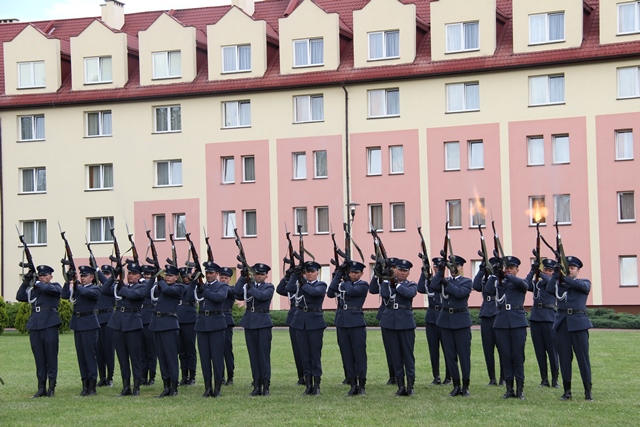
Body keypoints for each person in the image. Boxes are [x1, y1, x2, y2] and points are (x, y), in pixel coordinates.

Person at [547, 256, 593, 401]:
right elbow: (549, 289)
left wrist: (564, 278)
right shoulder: (559, 284)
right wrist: (556, 275)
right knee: (564, 359)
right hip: (563, 324)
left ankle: (587, 391)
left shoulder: (583, 282)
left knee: (583, 359)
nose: (570, 270)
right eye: (568, 268)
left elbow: (583, 288)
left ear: (578, 270)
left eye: (572, 268)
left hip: (579, 324)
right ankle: (567, 391)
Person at [485, 256, 528, 399]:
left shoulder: (520, 282)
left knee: (518, 356)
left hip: (517, 322)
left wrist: (506, 276)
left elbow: (523, 286)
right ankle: (509, 389)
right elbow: (488, 291)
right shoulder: (499, 283)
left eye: (511, 268)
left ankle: (520, 389)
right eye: (507, 268)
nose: (509, 270)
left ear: (517, 270)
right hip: (501, 322)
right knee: (505, 356)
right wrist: (494, 274)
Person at [16, 264, 62, 398]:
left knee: (51, 357)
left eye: (44, 275)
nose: (42, 277)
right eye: (40, 275)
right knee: (39, 358)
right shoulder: (34, 290)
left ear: (51, 277)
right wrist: (26, 281)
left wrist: (36, 282)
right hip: (35, 325)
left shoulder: (55, 286)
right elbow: (20, 296)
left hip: (49, 324)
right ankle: (41, 388)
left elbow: (49, 289)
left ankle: (51, 388)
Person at [101, 261, 146, 396]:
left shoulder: (142, 287)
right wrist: (114, 276)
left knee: (135, 357)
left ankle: (136, 386)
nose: (130, 275)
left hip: (132, 324)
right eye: (129, 273)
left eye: (134, 273)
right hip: (118, 323)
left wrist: (121, 285)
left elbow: (132, 295)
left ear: (139, 276)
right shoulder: (122, 286)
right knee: (122, 357)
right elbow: (104, 290)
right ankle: (126, 386)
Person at [431, 256, 472, 397]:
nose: (454, 269)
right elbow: (433, 286)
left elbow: (459, 293)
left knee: (464, 355)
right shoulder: (445, 280)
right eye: (452, 267)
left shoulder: (466, 281)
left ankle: (465, 386)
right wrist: (440, 271)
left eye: (457, 266)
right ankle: (456, 385)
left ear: (461, 268)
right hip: (446, 321)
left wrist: (446, 283)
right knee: (450, 355)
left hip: (461, 321)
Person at [328, 260, 369, 396]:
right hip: (342, 322)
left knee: (359, 354)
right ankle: (352, 384)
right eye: (351, 272)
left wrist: (344, 280)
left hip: (356, 322)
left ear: (361, 273)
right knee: (346, 354)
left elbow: (351, 291)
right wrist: (338, 273)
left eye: (356, 272)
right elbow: (330, 292)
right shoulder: (343, 284)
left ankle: (361, 385)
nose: (353, 275)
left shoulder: (363, 285)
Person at [286, 261, 327, 395]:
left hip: (314, 322)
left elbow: (314, 293)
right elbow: (288, 288)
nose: (309, 274)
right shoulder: (299, 284)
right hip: (300, 321)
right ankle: (308, 384)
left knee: (315, 354)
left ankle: (317, 385)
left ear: (317, 273)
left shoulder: (321, 285)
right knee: (304, 354)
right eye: (307, 272)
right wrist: (295, 275)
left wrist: (302, 281)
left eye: (312, 272)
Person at [378, 259, 417, 396]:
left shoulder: (411, 284)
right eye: (400, 270)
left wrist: (397, 285)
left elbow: (409, 294)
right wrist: (387, 279)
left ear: (408, 273)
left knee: (408, 355)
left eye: (405, 271)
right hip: (390, 322)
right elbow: (384, 294)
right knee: (395, 355)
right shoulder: (388, 283)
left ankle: (410, 386)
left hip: (405, 323)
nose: (402, 273)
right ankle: (400, 386)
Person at [235, 263, 275, 396]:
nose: (259, 276)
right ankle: (256, 385)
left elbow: (262, 296)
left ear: (266, 276)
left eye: (261, 274)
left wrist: (250, 286)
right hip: (250, 322)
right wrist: (242, 278)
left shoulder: (269, 287)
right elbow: (237, 293)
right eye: (257, 274)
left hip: (263, 322)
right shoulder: (247, 286)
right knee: (253, 356)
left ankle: (266, 386)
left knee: (263, 356)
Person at [61, 265, 101, 396]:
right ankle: (85, 385)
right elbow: (64, 295)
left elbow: (87, 293)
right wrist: (68, 281)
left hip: (89, 325)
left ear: (92, 277)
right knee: (81, 357)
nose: (83, 278)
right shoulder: (78, 288)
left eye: (85, 276)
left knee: (90, 356)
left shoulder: (95, 288)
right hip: (78, 324)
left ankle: (92, 386)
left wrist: (77, 284)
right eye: (81, 276)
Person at [147, 265, 185, 397]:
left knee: (170, 357)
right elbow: (146, 292)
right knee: (162, 357)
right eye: (166, 275)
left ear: (176, 277)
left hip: (169, 324)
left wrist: (160, 279)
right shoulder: (161, 286)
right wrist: (153, 278)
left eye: (170, 276)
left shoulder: (179, 287)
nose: (167, 277)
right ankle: (166, 386)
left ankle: (174, 387)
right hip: (157, 324)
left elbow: (168, 290)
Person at [525, 258, 559, 388]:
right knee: (539, 350)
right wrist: (532, 272)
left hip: (549, 317)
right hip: (536, 318)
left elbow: (551, 283)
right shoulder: (537, 284)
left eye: (550, 270)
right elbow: (525, 285)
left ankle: (555, 379)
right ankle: (544, 379)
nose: (547, 272)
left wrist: (542, 274)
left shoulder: (555, 282)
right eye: (546, 270)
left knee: (552, 350)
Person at [194, 261, 227, 397]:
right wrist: (194, 282)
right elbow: (188, 296)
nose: (208, 275)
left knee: (217, 357)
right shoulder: (201, 286)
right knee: (204, 358)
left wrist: (205, 291)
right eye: (207, 273)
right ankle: (207, 388)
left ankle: (217, 388)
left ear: (217, 274)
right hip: (202, 324)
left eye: (211, 273)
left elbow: (219, 298)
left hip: (216, 324)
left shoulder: (222, 286)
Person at [417, 258, 451, 386]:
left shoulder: (447, 281)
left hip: (444, 316)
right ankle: (436, 376)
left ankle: (449, 376)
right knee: (433, 349)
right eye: (435, 267)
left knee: (447, 348)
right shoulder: (429, 281)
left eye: (439, 267)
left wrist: (439, 275)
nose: (437, 269)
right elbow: (420, 288)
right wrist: (423, 272)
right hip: (431, 317)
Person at [472, 259, 503, 386]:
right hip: (486, 314)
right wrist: (481, 270)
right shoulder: (486, 278)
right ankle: (492, 377)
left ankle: (503, 377)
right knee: (488, 348)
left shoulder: (502, 278)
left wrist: (496, 274)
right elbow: (476, 286)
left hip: (498, 313)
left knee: (502, 347)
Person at [369, 257, 398, 386]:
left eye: (393, 267)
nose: (391, 270)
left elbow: (386, 294)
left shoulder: (398, 281)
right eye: (389, 267)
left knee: (399, 348)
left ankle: (400, 374)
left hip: (398, 316)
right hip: (385, 316)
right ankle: (392, 375)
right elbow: (373, 290)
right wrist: (376, 274)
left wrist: (386, 279)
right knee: (389, 348)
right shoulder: (384, 279)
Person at [276, 268, 305, 386]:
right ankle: (301, 376)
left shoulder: (305, 285)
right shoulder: (292, 286)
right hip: (293, 318)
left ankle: (309, 375)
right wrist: (288, 277)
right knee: (296, 350)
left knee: (305, 349)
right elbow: (280, 289)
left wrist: (299, 278)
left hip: (305, 318)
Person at [177, 266, 198, 386]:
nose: (185, 278)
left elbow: (190, 294)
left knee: (190, 349)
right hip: (178, 320)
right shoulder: (177, 286)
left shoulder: (194, 286)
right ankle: (184, 375)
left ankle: (192, 376)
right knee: (181, 350)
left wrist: (194, 280)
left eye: (187, 276)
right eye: (183, 276)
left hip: (189, 320)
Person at [95, 265, 116, 387]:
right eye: (104, 274)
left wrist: (98, 271)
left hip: (108, 320)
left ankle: (110, 377)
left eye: (108, 274)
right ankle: (102, 377)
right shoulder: (97, 287)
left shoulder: (112, 286)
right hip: (97, 319)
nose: (105, 276)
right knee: (99, 351)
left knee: (109, 350)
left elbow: (107, 286)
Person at [140, 265, 158, 386]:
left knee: (151, 351)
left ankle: (151, 376)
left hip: (150, 319)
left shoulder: (155, 286)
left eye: (149, 275)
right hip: (140, 319)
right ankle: (143, 376)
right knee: (142, 351)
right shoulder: (139, 284)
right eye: (145, 274)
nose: (147, 277)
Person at [221, 268, 236, 386]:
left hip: (226, 319)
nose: (223, 280)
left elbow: (232, 292)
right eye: (221, 278)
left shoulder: (231, 289)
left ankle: (230, 376)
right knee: (217, 351)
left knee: (227, 350)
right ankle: (220, 376)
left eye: (226, 278)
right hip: (215, 320)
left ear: (230, 279)